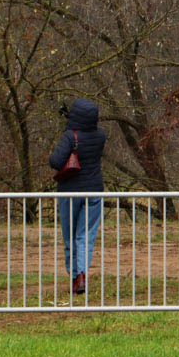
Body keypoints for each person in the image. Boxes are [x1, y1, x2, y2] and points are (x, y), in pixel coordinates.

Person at [48, 98, 106, 295]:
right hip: (94, 191)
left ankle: (75, 275)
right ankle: (81, 273)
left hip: (70, 192)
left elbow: (55, 161)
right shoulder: (101, 135)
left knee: (69, 237)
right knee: (85, 236)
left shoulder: (70, 136)